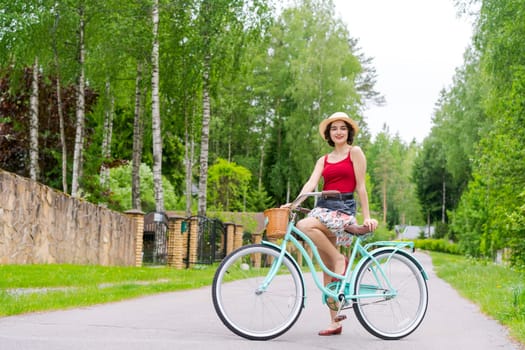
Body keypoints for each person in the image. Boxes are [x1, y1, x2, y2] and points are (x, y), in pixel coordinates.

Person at [283, 111, 378, 336]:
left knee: (305, 226)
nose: (338, 132)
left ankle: (339, 259)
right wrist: (294, 203)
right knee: (327, 270)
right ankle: (335, 322)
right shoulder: (323, 160)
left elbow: (361, 187)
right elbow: (311, 183)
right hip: (323, 208)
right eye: (334, 128)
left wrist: (367, 217)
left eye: (343, 128)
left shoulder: (355, 153)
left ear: (349, 132)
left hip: (343, 208)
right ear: (328, 133)